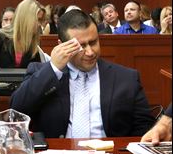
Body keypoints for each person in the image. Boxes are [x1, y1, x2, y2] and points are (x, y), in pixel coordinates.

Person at [10, 9, 155, 138]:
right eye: (80, 46)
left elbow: (144, 128)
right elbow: (17, 110)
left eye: (93, 42)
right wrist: (54, 69)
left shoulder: (126, 78)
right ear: (62, 45)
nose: (90, 52)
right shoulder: (42, 72)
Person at [0, 0, 43, 68]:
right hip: (0, 79)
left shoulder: (33, 41)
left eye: (41, 20)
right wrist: (9, 78)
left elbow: (36, 69)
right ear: (25, 19)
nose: (39, 24)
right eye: (37, 20)